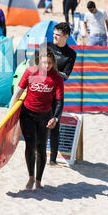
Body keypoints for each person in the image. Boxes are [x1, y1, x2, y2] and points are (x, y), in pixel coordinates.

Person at [9, 47, 64, 190]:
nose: (47, 66)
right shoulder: (30, 72)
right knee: (30, 144)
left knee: (41, 148)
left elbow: (59, 101)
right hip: (27, 114)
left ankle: (39, 180)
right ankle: (30, 177)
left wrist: (56, 118)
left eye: (50, 63)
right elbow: (18, 92)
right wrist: (9, 112)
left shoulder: (56, 78)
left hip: (45, 117)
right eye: (45, 62)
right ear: (39, 61)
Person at [30, 22, 76, 166]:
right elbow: (32, 63)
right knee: (37, 125)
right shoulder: (45, 46)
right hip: (40, 90)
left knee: (54, 126)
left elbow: (66, 75)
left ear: (66, 36)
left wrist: (51, 72)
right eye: (54, 34)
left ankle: (53, 160)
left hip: (56, 93)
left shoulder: (71, 54)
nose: (55, 37)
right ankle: (36, 153)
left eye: (58, 35)